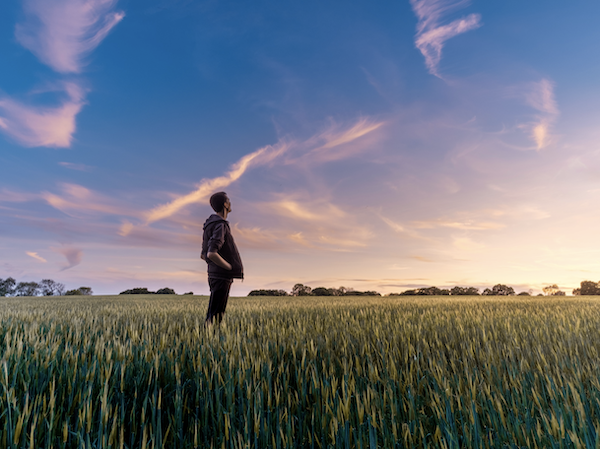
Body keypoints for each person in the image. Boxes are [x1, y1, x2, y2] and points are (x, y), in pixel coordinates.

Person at [201, 192, 244, 325]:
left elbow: (203, 254)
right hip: (221, 276)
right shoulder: (220, 225)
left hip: (213, 274)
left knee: (213, 313)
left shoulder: (209, 225)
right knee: (216, 316)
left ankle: (206, 340)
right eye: (228, 201)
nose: (230, 203)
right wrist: (229, 267)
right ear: (225, 204)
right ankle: (209, 341)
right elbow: (211, 253)